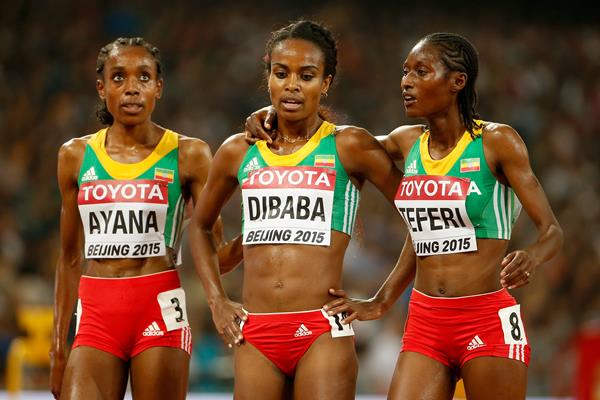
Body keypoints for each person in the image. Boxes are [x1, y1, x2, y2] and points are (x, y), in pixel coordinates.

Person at [246, 32, 563, 399]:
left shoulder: (498, 142)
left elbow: (552, 230)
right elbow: (329, 143)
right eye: (405, 71)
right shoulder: (406, 141)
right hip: (426, 320)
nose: (407, 82)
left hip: (485, 315)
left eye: (421, 71)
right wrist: (276, 112)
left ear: (457, 82)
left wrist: (532, 255)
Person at [188, 20, 404, 399]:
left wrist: (384, 299)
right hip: (255, 331)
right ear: (267, 77)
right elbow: (199, 227)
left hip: (322, 329)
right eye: (280, 73)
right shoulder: (239, 150)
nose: (291, 85)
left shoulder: (349, 145)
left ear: (326, 83)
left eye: (306, 76)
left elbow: (425, 219)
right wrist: (217, 301)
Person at [51, 37, 241, 400]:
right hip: (95, 315)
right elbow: (70, 257)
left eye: (143, 77)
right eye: (119, 78)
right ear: (101, 87)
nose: (131, 89)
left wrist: (258, 233)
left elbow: (218, 257)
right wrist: (59, 346)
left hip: (157, 308)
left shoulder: (190, 154)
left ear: (159, 88)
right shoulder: (74, 156)